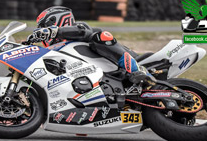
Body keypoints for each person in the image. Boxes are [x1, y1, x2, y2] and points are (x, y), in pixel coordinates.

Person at [25, 6, 156, 86]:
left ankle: (138, 70)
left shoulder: (80, 28)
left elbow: (83, 33)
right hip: (101, 79)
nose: (44, 32)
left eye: (44, 27)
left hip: (127, 63)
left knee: (101, 37)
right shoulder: (58, 49)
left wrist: (55, 31)